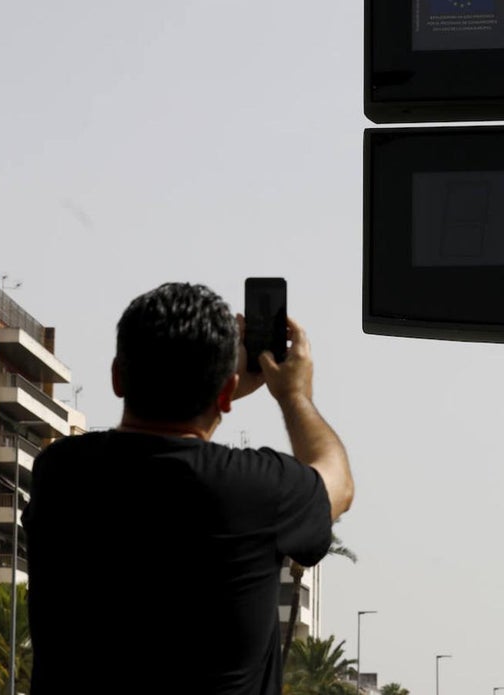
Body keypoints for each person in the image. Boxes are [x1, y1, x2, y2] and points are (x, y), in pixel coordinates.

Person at [22, 282, 353, 694]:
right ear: (228, 392)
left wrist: (220, 389)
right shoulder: (254, 490)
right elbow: (337, 485)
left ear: (117, 377)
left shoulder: (61, 472)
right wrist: (293, 395)